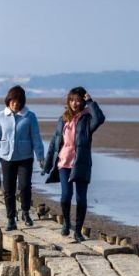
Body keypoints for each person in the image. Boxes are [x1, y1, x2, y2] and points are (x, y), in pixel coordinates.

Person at [44, 87, 105, 241]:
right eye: (72, 100)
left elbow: (100, 118)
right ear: (68, 101)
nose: (75, 103)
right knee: (66, 196)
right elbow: (54, 141)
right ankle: (66, 223)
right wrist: (47, 162)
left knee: (81, 198)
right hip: (64, 162)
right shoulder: (63, 119)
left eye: (78, 100)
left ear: (83, 101)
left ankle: (78, 231)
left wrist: (91, 102)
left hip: (81, 163)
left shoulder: (87, 120)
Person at [0, 85, 45, 231]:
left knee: (25, 186)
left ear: (23, 102)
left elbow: (36, 137)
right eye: (13, 100)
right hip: (6, 157)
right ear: (8, 100)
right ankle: (11, 219)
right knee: (8, 190)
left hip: (25, 157)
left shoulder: (30, 116)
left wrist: (40, 157)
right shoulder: (1, 115)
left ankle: (25, 212)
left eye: (19, 101)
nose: (15, 104)